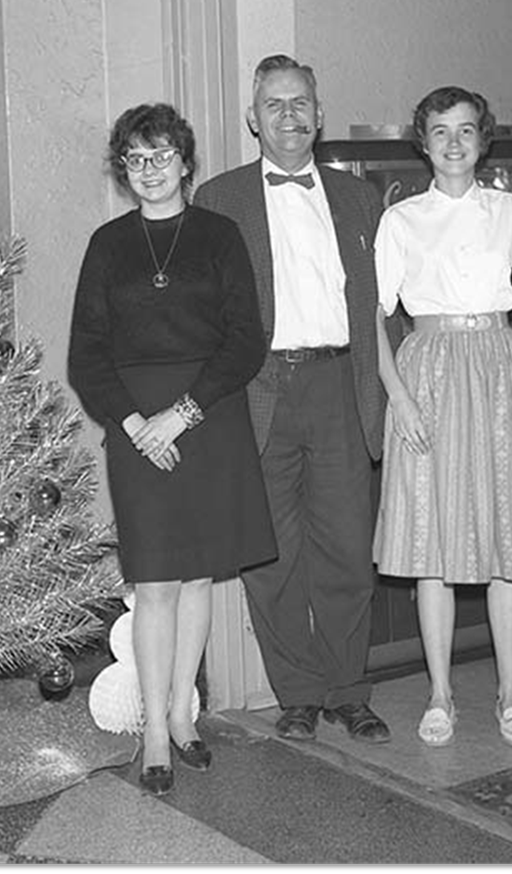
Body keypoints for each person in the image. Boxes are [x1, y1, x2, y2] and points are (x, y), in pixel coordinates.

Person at [68, 103, 277, 796]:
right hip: (133, 425)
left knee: (196, 579)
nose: (150, 170)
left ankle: (185, 717)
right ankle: (155, 730)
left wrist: (180, 415)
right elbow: (86, 354)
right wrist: (133, 424)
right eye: (135, 159)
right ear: (123, 170)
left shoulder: (220, 235)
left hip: (208, 416)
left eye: (161, 156)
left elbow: (245, 339)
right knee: (155, 580)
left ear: (186, 163)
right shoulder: (107, 245)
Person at [193, 55, 391, 745]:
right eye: (274, 105)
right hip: (258, 390)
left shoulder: (360, 200)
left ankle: (349, 690)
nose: (289, 115)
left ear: (319, 113)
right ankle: (299, 693)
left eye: (300, 102)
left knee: (346, 549)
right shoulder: (218, 201)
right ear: (253, 120)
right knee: (271, 557)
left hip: (340, 385)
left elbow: (383, 310)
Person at [373, 86, 512, 748]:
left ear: (482, 141)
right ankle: (439, 693)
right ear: (421, 142)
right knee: (433, 541)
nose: (453, 143)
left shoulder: (508, 210)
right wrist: (397, 395)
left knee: (506, 540)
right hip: (427, 369)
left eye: (464, 131)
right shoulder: (400, 220)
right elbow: (375, 316)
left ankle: (510, 694)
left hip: (501, 369)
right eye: (439, 132)